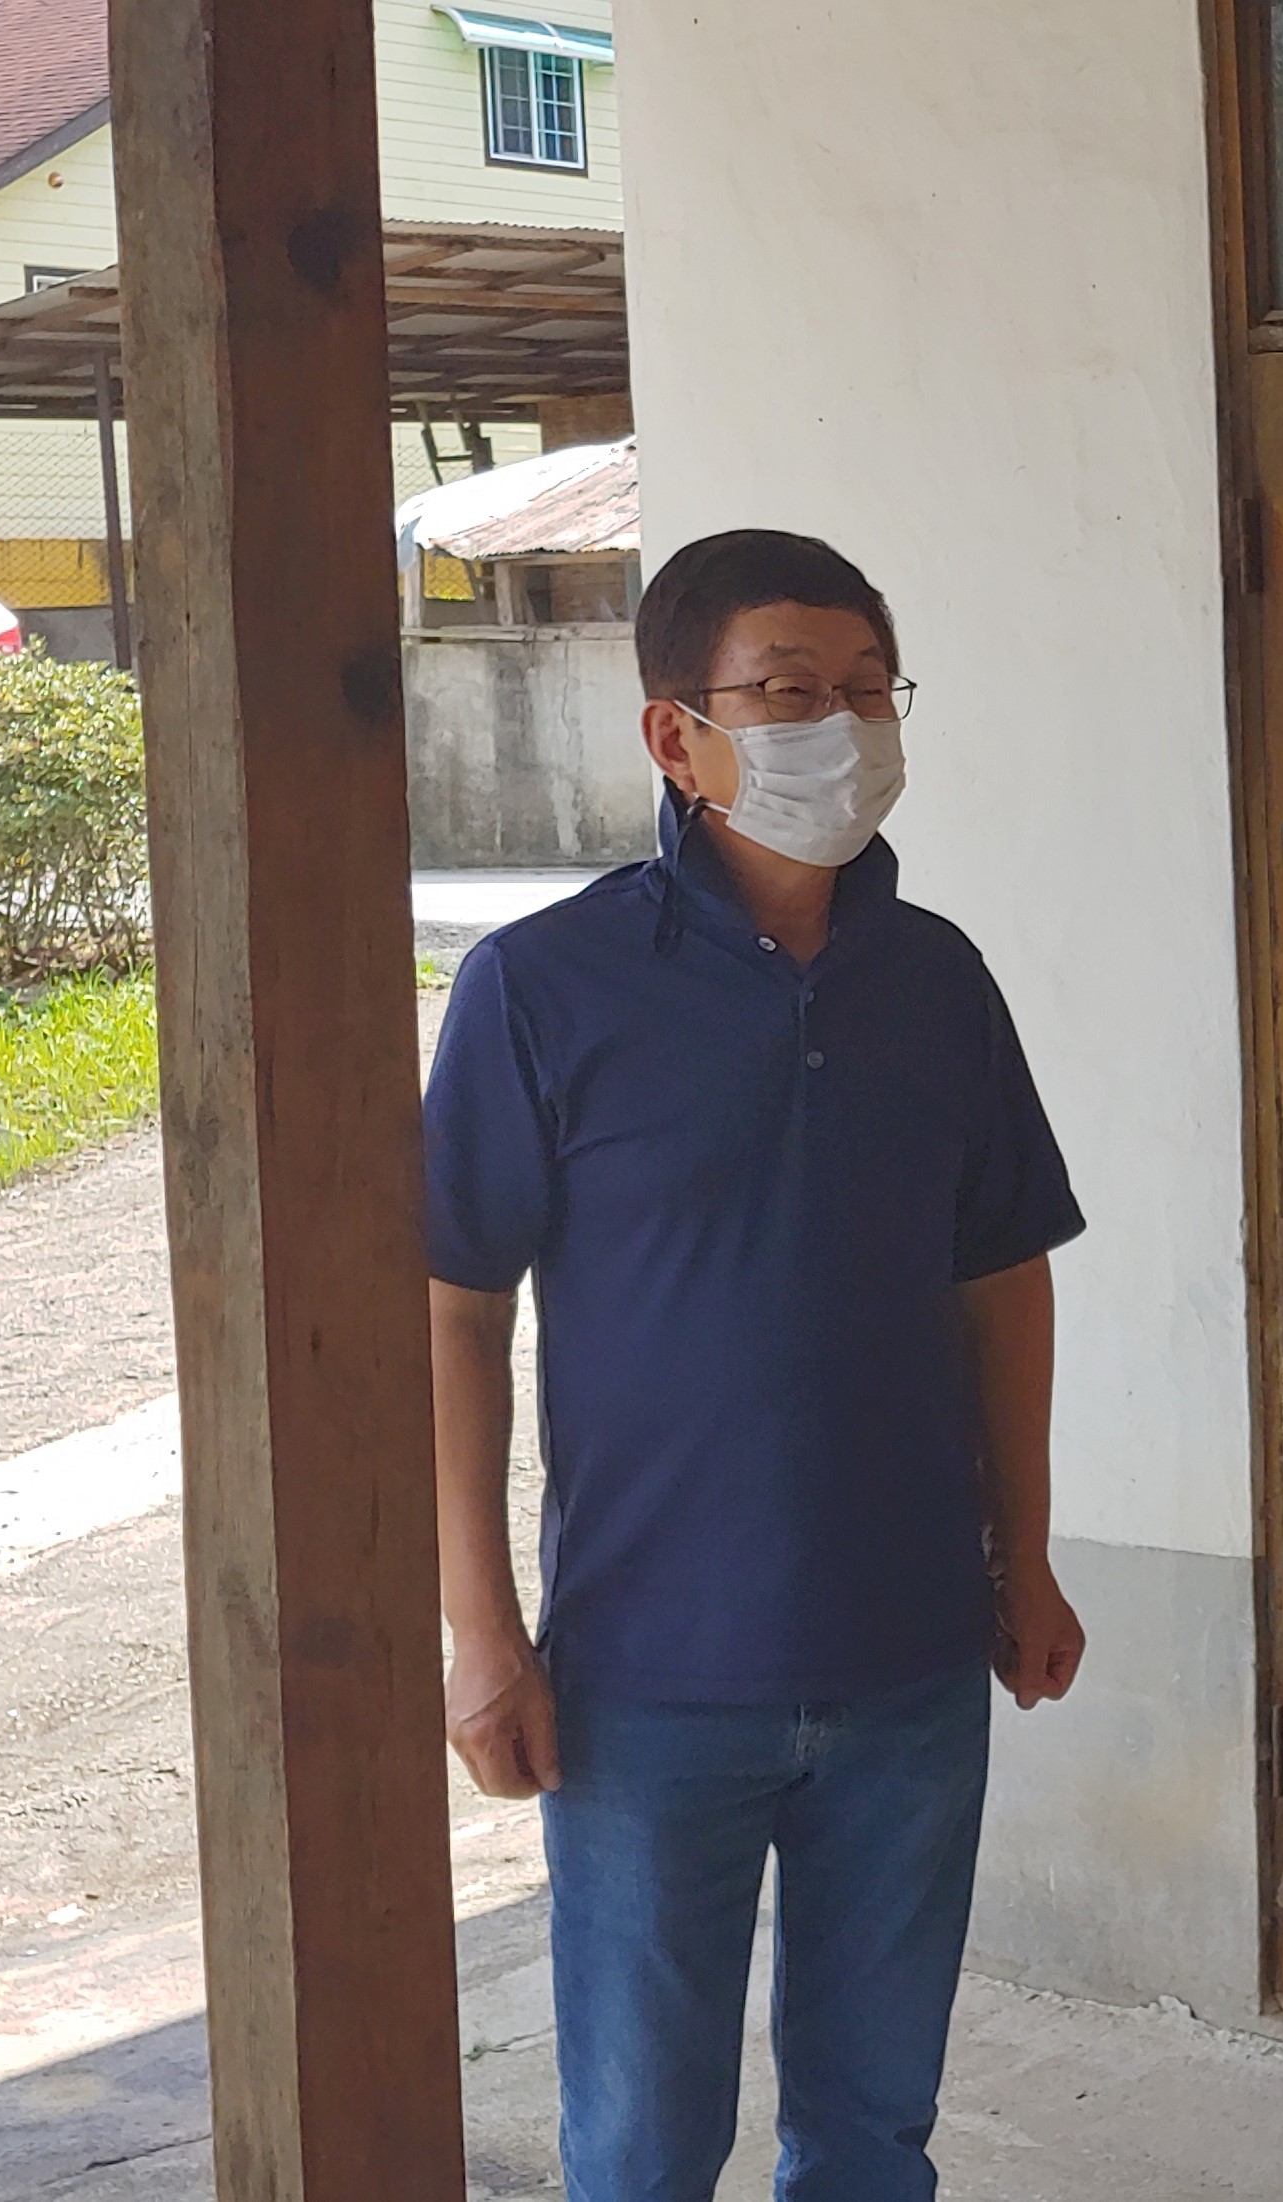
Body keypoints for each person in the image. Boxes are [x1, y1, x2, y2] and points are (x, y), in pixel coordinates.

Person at [424, 529, 1090, 2202]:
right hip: (648, 1682)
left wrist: (1025, 1554)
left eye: (869, 689)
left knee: (872, 2136)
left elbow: (1002, 1277)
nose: (840, 727)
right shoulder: (542, 990)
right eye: (790, 691)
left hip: (911, 1666)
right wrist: (484, 1629)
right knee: (643, 2149)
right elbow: (454, 1311)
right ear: (678, 733)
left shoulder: (937, 981)